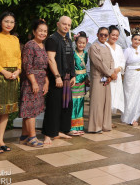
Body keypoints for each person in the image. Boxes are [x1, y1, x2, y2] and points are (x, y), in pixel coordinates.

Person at [0, 12, 21, 154]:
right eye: (6, 21)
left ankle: (1, 139)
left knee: (6, 111)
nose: (9, 24)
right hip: (0, 77)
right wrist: (3, 71)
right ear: (0, 22)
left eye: (12, 22)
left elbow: (19, 58)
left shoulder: (15, 39)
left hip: (14, 77)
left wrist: (18, 71)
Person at [42, 16, 76, 145]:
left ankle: (58, 131)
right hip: (57, 78)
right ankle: (47, 134)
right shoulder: (52, 39)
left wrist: (73, 75)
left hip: (67, 77)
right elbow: (51, 59)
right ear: (58, 24)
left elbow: (70, 58)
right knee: (53, 107)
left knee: (65, 106)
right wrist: (56, 76)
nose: (66, 27)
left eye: (69, 25)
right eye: (64, 24)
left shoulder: (67, 39)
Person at [19, 19, 49, 147]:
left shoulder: (43, 45)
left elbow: (45, 67)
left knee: (32, 109)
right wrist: (34, 82)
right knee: (30, 110)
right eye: (40, 30)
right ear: (34, 31)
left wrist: (46, 82)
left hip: (41, 79)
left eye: (45, 31)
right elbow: (27, 66)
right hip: (31, 81)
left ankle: (24, 136)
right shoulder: (30, 45)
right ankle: (32, 137)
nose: (42, 33)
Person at [87, 27, 116, 133]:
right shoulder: (94, 47)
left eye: (105, 35)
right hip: (98, 77)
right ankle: (95, 127)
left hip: (107, 78)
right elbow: (98, 63)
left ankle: (105, 125)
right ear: (97, 34)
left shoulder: (107, 47)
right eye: (101, 35)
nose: (103, 37)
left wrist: (110, 75)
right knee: (97, 103)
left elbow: (112, 61)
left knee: (106, 102)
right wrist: (110, 73)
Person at [121, 33, 140, 125]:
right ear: (132, 40)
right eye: (135, 39)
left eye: (139, 40)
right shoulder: (127, 50)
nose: (137, 41)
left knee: (138, 95)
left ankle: (135, 117)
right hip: (129, 74)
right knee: (129, 95)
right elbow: (122, 63)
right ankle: (127, 117)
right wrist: (122, 75)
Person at [69, 34, 89, 135]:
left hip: (82, 81)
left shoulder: (86, 53)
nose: (81, 45)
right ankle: (72, 127)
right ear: (76, 43)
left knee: (81, 102)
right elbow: (72, 68)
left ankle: (80, 126)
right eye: (79, 42)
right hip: (75, 81)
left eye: (83, 43)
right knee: (74, 103)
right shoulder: (73, 53)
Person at [105, 26, 125, 118]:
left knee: (115, 96)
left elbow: (122, 60)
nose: (115, 37)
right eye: (113, 35)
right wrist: (111, 72)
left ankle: (109, 119)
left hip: (117, 75)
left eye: (117, 35)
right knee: (107, 96)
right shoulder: (104, 45)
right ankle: (105, 119)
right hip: (108, 75)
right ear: (108, 35)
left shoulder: (119, 47)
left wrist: (119, 69)